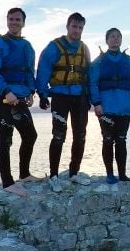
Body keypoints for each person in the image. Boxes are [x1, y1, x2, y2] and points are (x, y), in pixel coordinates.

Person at [0, 7, 40, 196]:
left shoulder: (27, 47)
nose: (14, 22)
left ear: (23, 23)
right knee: (5, 140)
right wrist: (6, 91)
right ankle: (7, 182)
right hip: (3, 99)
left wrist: (31, 91)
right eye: (11, 19)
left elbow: (29, 72)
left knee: (30, 135)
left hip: (21, 98)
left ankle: (24, 174)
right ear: (7, 21)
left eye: (18, 19)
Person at [36, 12, 92, 184]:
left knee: (80, 136)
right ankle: (53, 176)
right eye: (74, 26)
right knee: (59, 135)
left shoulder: (84, 49)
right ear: (67, 26)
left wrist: (91, 96)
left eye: (80, 27)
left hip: (80, 97)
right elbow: (43, 69)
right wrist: (42, 94)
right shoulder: (54, 47)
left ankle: (74, 173)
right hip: (60, 96)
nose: (77, 30)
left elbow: (89, 74)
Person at [89, 28, 130, 185]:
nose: (115, 39)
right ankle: (109, 173)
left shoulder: (127, 60)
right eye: (112, 37)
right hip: (106, 107)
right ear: (107, 40)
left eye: (118, 37)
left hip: (124, 107)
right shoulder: (99, 61)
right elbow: (92, 83)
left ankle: (122, 174)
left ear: (121, 40)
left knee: (121, 140)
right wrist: (97, 103)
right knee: (107, 139)